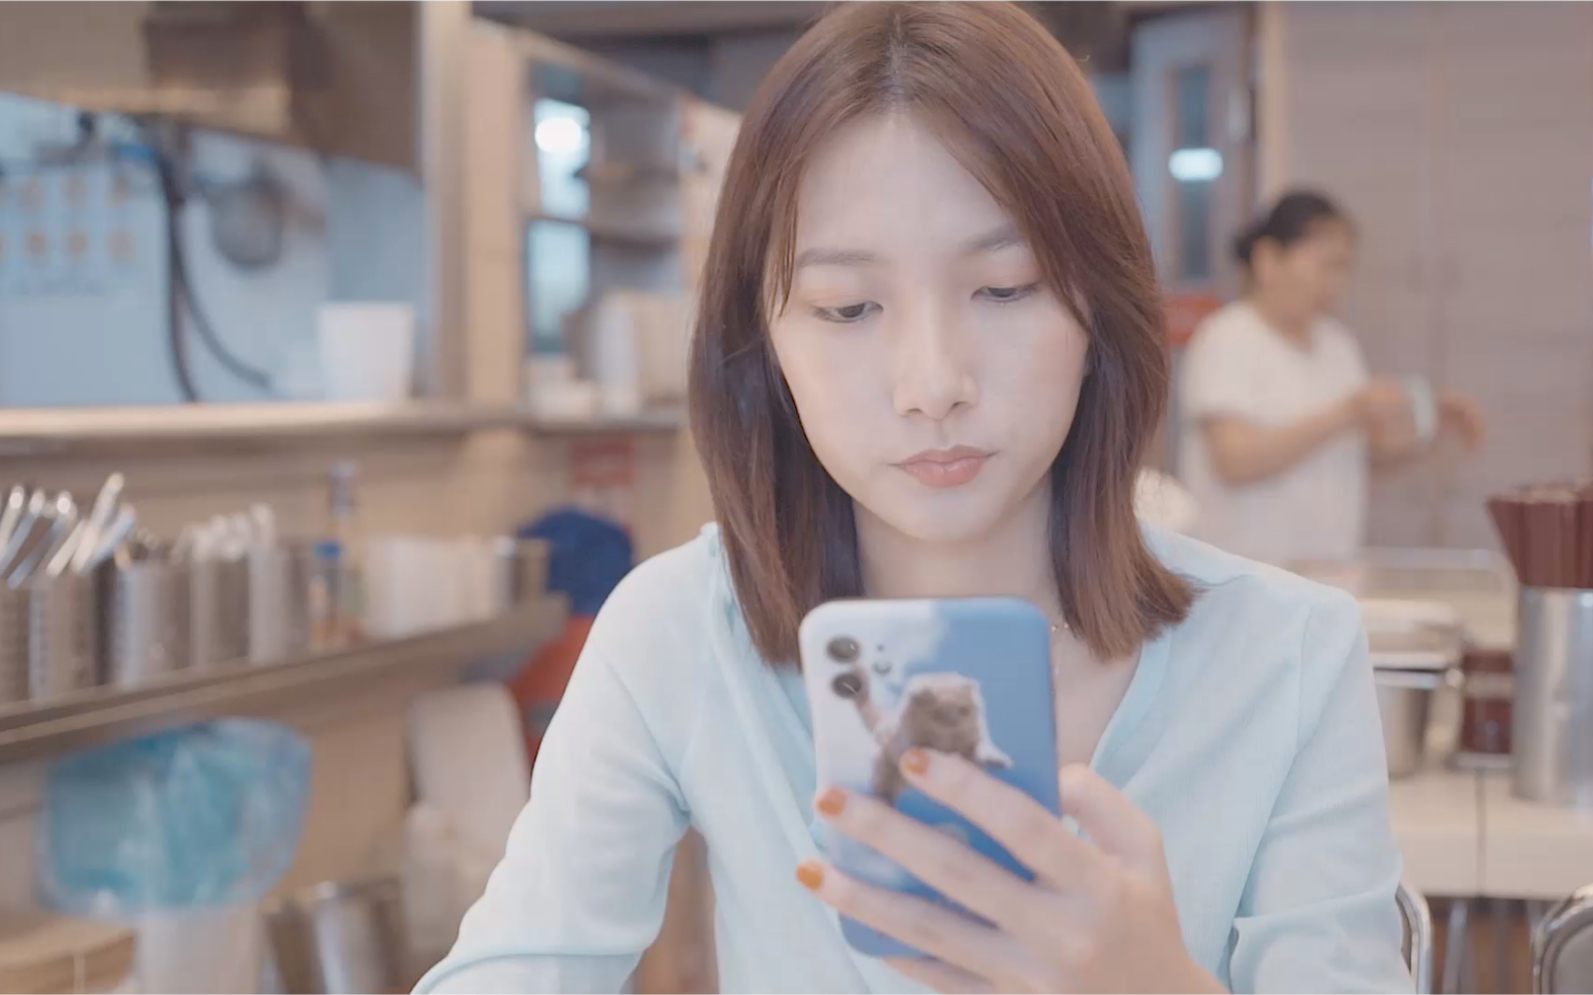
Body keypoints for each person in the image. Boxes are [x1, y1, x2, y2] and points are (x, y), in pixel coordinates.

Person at [418, 5, 1408, 993]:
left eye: (1006, 287)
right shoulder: (682, 631)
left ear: (1099, 310)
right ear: (763, 345)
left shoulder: (1290, 655)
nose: (931, 383)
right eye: (847, 307)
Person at [1180, 191, 1485, 566]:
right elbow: (1235, 460)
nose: (1335, 283)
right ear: (1267, 260)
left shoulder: (1338, 343)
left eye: (1344, 268)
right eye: (1326, 265)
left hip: (1330, 569)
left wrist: (1430, 426)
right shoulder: (1227, 336)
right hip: (1246, 572)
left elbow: (1360, 459)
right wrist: (1347, 412)